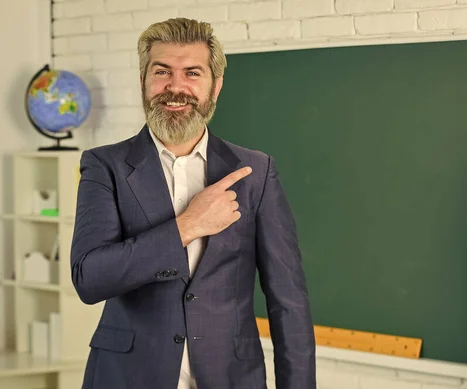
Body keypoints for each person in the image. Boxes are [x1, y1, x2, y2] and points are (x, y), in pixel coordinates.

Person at [70, 17, 316, 389]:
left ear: (215, 87)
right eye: (162, 71)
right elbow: (90, 277)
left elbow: (289, 302)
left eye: (193, 73)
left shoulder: (256, 172)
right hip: (127, 378)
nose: (176, 87)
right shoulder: (104, 166)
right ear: (143, 82)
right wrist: (188, 226)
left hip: (232, 378)